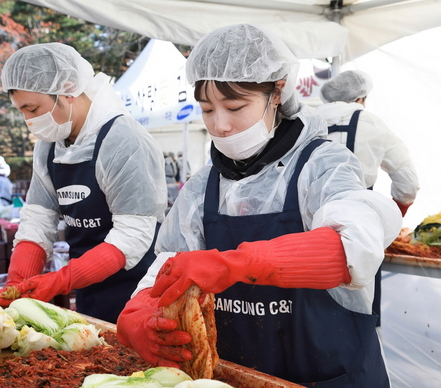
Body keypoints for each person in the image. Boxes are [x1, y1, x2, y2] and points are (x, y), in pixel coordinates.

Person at [116, 24, 401, 387]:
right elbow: (167, 267)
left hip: (332, 375)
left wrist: (231, 264)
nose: (219, 125)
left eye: (235, 106)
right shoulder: (203, 186)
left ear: (277, 92)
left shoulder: (324, 165)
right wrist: (138, 311)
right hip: (240, 375)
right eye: (206, 109)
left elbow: (350, 248)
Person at [0, 43, 167, 324]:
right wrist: (17, 284)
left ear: (67, 90)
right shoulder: (49, 147)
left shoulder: (123, 140)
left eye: (33, 108)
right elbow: (38, 219)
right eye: (21, 111)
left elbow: (132, 235)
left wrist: (62, 279)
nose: (28, 121)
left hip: (139, 293)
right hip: (89, 289)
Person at [317, 70, 420, 327]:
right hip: (358, 231)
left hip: (303, 229)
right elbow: (408, 183)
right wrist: (391, 221)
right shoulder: (372, 122)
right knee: (359, 314)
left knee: (309, 314)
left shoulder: (307, 120)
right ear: (361, 98)